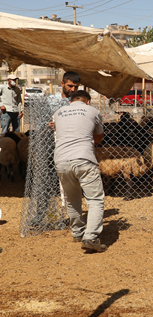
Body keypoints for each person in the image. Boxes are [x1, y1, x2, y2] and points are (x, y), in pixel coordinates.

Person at [53, 90, 107, 252]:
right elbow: (98, 137)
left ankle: (77, 232)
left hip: (61, 160)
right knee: (95, 199)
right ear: (88, 101)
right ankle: (90, 237)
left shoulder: (58, 112)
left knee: (72, 199)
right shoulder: (93, 111)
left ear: (71, 102)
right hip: (84, 159)